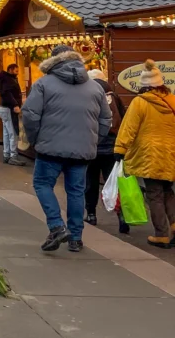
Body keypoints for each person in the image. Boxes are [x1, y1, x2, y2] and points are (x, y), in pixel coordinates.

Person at [21, 45, 111, 253]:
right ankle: (76, 237)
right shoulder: (95, 87)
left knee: (43, 184)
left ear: (53, 61)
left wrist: (36, 139)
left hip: (50, 148)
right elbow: (106, 119)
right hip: (82, 149)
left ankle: (56, 226)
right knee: (76, 191)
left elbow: (30, 115)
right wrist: (94, 140)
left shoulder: (43, 84)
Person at [113, 60, 175, 247]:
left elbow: (128, 128)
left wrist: (120, 149)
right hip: (171, 153)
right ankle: (174, 225)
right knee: (168, 191)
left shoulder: (140, 103)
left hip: (150, 154)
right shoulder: (172, 101)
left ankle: (162, 234)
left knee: (154, 194)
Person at [85, 69, 129, 233]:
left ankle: (91, 214)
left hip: (93, 145)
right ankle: (122, 216)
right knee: (115, 183)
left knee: (91, 182)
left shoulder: (88, 96)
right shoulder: (114, 97)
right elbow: (124, 119)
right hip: (112, 146)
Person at [0, 63, 26, 166]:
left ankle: (6, 154)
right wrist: (15, 104)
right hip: (9, 109)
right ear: (10, 70)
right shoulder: (9, 80)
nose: (17, 73)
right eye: (16, 71)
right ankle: (13, 156)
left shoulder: (5, 79)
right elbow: (7, 93)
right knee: (13, 132)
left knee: (6, 132)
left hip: (4, 108)